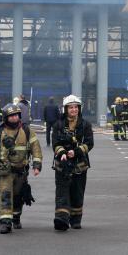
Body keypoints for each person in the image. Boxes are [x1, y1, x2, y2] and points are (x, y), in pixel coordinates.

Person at [0, 104, 43, 234]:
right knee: (5, 195)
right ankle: (5, 223)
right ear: (6, 117)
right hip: (5, 172)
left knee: (18, 197)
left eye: (16, 115)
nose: (14, 117)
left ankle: (16, 217)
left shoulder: (27, 131)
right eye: (11, 115)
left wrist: (37, 165)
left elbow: (36, 149)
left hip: (21, 171)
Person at [52, 95, 94, 231]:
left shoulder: (85, 124)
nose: (74, 110)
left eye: (76, 107)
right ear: (65, 109)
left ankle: (76, 220)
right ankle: (61, 219)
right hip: (62, 165)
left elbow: (89, 143)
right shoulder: (58, 124)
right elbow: (55, 143)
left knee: (77, 192)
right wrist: (63, 153)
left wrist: (76, 152)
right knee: (62, 192)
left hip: (80, 165)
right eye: (71, 107)